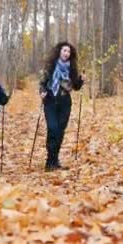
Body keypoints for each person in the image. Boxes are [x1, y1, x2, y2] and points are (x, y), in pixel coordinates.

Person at [39, 41, 84, 172]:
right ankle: (49, 160)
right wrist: (42, 92)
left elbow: (76, 87)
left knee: (60, 131)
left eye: (68, 51)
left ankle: (55, 160)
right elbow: (42, 82)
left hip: (65, 102)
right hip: (50, 100)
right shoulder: (50, 66)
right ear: (59, 51)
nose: (66, 53)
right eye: (64, 50)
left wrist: (81, 80)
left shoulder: (72, 69)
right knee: (52, 129)